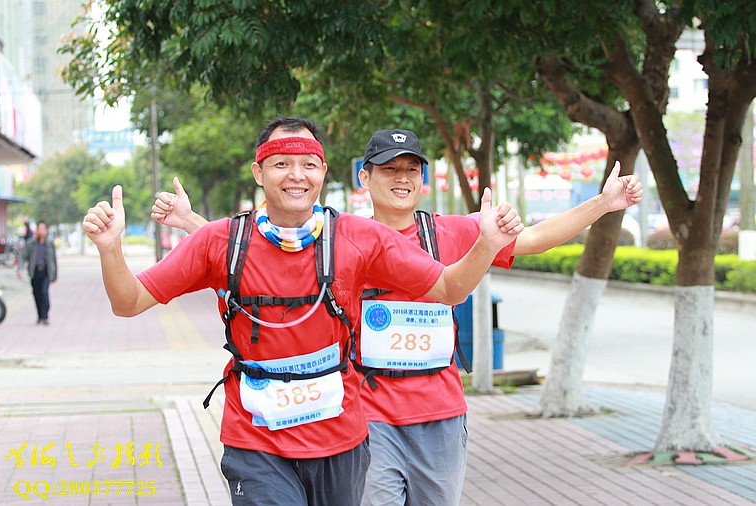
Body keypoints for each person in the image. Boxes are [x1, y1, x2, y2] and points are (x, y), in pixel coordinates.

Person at [152, 128, 643, 505]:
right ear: (364, 178)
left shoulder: (451, 232)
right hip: (369, 412)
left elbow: (533, 238)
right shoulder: (342, 239)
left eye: (412, 170)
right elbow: (261, 256)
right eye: (389, 169)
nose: (402, 179)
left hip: (441, 412)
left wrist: (603, 204)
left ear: (423, 180)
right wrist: (192, 224)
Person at [83, 116, 522, 506]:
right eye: (281, 163)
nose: (296, 175)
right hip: (255, 441)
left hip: (341, 441)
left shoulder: (360, 238)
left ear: (323, 172)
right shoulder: (219, 242)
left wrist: (486, 244)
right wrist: (110, 249)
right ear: (258, 172)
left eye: (309, 164)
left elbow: (449, 288)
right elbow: (129, 301)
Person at [17, 221, 58, 325]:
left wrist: (55, 274)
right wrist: (20, 268)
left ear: (46, 230)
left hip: (46, 272)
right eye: (39, 229)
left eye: (43, 229)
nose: (41, 231)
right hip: (35, 272)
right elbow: (23, 256)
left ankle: (45, 316)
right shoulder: (31, 243)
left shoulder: (50, 243)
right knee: (37, 294)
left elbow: (54, 260)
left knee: (44, 292)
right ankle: (40, 316)